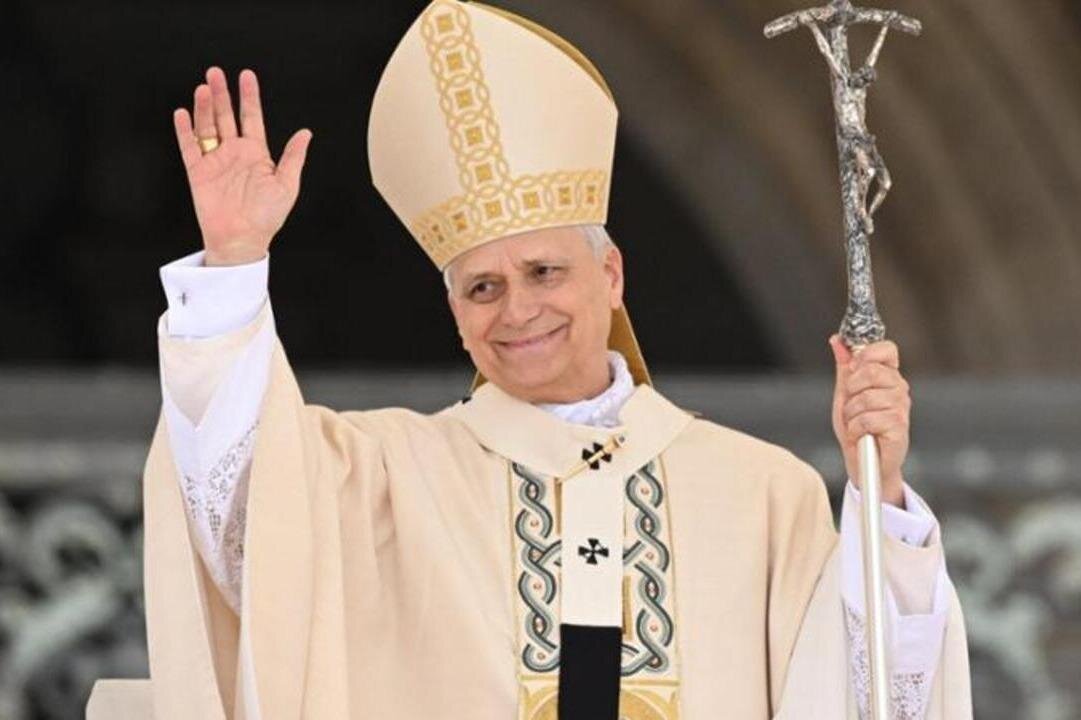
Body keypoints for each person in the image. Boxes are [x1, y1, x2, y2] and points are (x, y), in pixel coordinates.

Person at [87, 1, 972, 718]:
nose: (517, 310)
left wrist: (882, 497)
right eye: (482, 288)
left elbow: (867, 693)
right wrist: (236, 263)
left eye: (545, 272)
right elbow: (244, 520)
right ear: (454, 314)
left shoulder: (761, 494)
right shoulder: (383, 478)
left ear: (610, 275)